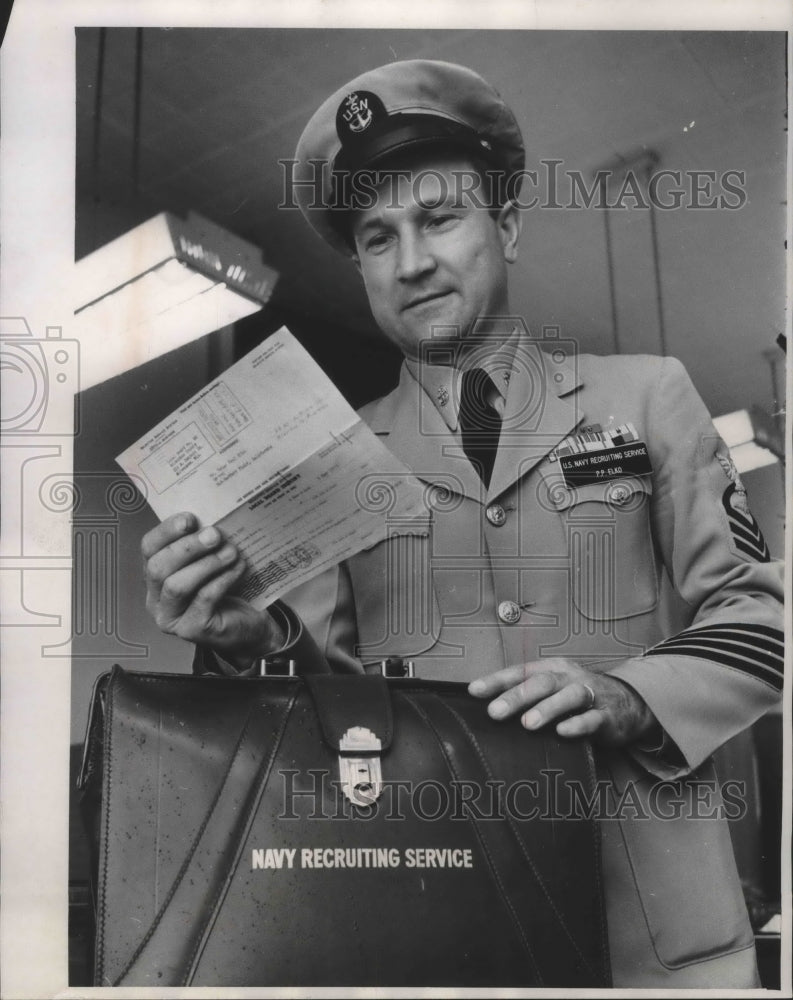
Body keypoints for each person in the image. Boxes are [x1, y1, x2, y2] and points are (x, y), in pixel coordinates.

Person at [141, 60, 784, 987]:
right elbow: (325, 714)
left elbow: (761, 624)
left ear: (508, 226)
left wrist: (631, 694)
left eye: (439, 218)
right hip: (447, 934)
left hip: (663, 945)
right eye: (376, 237)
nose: (410, 262)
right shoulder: (328, 462)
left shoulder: (645, 395)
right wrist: (252, 642)